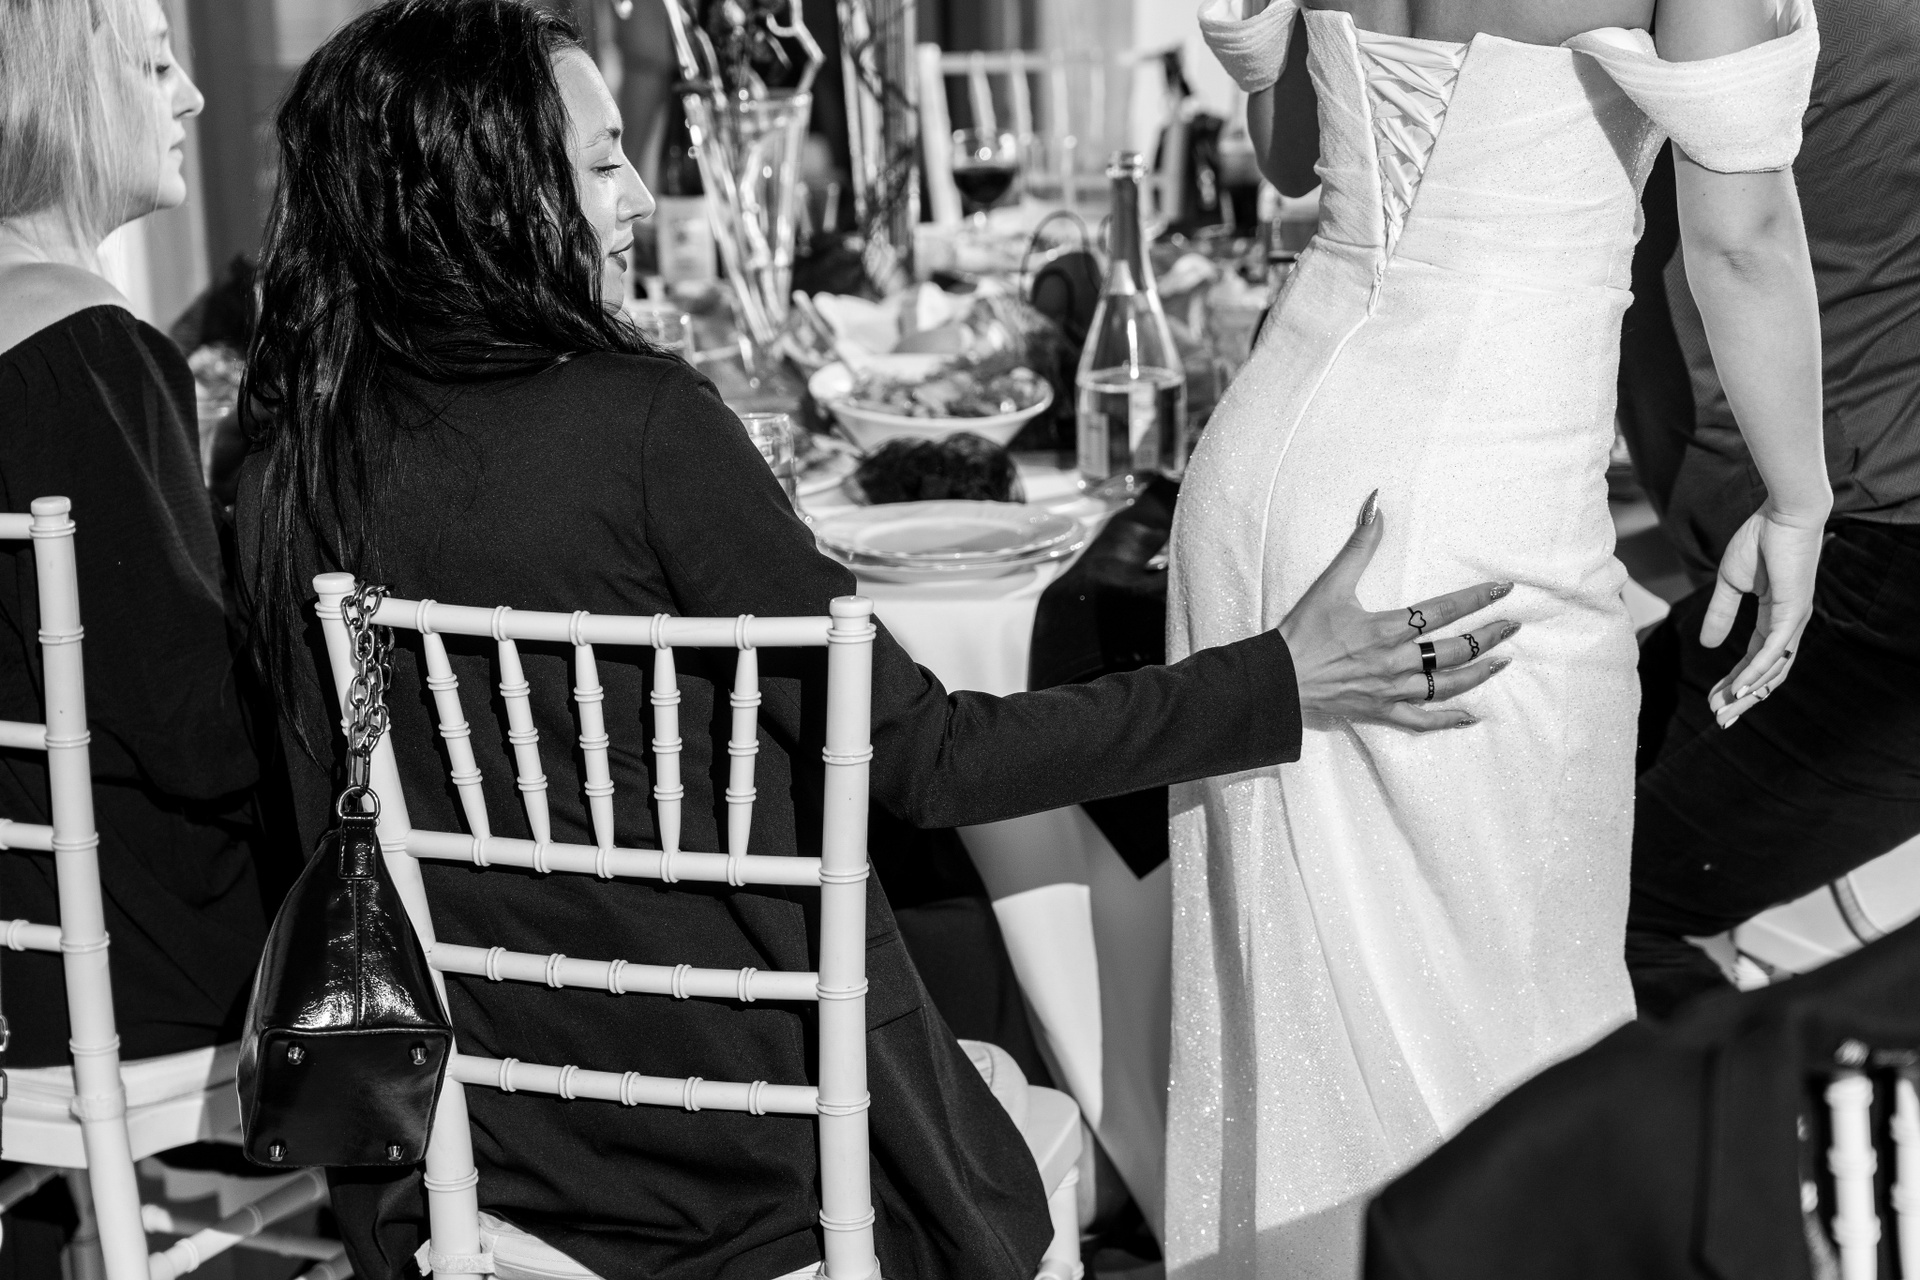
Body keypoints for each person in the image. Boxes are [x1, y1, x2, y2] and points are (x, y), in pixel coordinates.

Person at [234, 5, 1520, 1280]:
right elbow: (927, 759)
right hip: (746, 1151)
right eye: (603, 161)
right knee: (1003, 1081)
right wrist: (1277, 678)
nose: (639, 200)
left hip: (462, 1150)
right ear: (488, 191)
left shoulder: (293, 459)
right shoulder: (644, 428)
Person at [1172, 0, 1831, 1274]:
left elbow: (1293, 155)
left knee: (1295, 1012)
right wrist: (1799, 498)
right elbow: (1739, 238)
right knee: (1517, 1028)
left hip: (1263, 477)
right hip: (1474, 504)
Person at [1618, 0, 1920, 1018]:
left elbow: (1738, 249)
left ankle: (1755, 1119)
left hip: (1868, 548)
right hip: (1824, 534)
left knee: (1609, 914)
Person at [0, 0, 273, 1074]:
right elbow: (192, 723)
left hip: (23, 948)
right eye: (158, 67)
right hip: (130, 967)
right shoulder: (88, 351)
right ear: (65, 97)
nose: (193, 98)